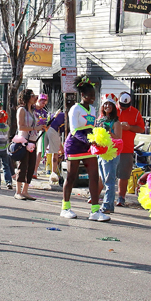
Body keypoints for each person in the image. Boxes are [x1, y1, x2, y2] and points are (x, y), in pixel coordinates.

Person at [61, 77, 109, 222]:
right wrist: (89, 141)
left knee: (94, 177)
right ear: (82, 95)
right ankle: (65, 208)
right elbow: (74, 130)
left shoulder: (93, 109)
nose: (93, 99)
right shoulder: (75, 108)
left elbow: (92, 128)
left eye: (94, 96)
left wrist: (98, 140)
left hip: (89, 146)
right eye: (90, 96)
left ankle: (95, 210)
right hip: (75, 145)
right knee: (71, 177)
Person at [14, 89, 46, 201]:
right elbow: (21, 127)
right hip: (23, 140)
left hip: (33, 141)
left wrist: (41, 127)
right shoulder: (21, 110)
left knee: (31, 166)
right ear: (27, 97)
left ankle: (25, 191)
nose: (35, 97)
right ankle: (18, 191)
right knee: (22, 166)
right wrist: (34, 128)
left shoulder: (32, 111)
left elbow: (35, 125)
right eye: (33, 95)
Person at [115, 92, 145, 206]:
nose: (123, 107)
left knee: (123, 175)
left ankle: (121, 197)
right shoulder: (111, 109)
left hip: (126, 148)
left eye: (125, 106)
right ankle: (95, 195)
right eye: (121, 105)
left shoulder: (135, 112)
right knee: (105, 174)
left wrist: (130, 127)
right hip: (111, 147)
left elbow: (141, 129)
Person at [96, 96, 123, 214]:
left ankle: (107, 205)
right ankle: (107, 205)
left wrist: (110, 134)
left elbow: (119, 138)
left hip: (111, 153)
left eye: (110, 105)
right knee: (103, 178)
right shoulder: (100, 120)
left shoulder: (116, 122)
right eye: (105, 104)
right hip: (100, 152)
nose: (107, 107)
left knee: (109, 180)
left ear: (113, 107)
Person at [46, 108, 65, 184]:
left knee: (41, 152)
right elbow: (58, 134)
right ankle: (53, 173)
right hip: (52, 129)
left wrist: (61, 148)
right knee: (55, 153)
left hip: (47, 128)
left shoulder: (61, 116)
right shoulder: (64, 118)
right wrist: (62, 149)